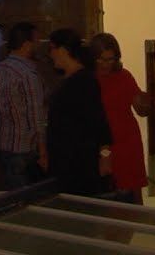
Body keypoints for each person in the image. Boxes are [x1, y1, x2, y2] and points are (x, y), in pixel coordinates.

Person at [45, 28, 113, 196]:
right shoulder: (73, 81)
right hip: (66, 160)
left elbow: (99, 122)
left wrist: (105, 156)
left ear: (62, 50)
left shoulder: (84, 81)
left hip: (77, 162)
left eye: (52, 49)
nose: (50, 54)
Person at [91, 32, 152, 203]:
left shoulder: (124, 76)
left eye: (110, 59)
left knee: (130, 195)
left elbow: (141, 110)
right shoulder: (88, 79)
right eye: (101, 59)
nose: (106, 64)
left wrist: (145, 102)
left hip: (126, 141)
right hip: (102, 143)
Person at [0, 22, 47, 190]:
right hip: (25, 148)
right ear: (26, 44)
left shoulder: (1, 70)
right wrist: (43, 150)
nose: (38, 45)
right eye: (36, 41)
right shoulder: (28, 75)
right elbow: (36, 115)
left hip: (5, 144)